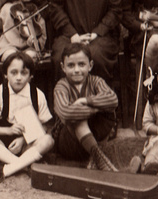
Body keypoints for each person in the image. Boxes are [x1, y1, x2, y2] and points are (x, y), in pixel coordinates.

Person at [0, 52, 55, 184]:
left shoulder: (37, 95)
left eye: (24, 73)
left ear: (31, 76)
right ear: (5, 74)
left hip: (27, 144)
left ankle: (4, 170)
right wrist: (9, 131)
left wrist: (23, 140)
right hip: (2, 143)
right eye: (14, 73)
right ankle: (25, 166)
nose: (18, 78)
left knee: (48, 140)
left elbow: (45, 126)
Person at [51, 42, 119, 171]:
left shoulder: (96, 81)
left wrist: (85, 101)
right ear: (63, 67)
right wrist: (97, 109)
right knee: (77, 119)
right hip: (70, 142)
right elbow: (66, 112)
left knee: (107, 115)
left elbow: (113, 99)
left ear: (90, 65)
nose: (76, 70)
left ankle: (94, 158)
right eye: (71, 65)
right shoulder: (61, 86)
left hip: (95, 135)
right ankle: (99, 158)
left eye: (81, 64)